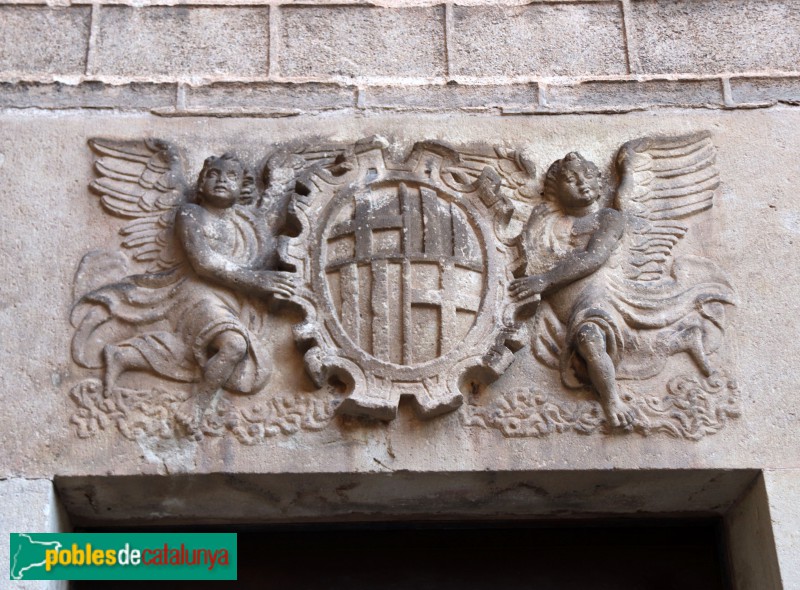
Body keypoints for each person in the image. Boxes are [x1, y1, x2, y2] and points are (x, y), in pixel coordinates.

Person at [73, 154, 295, 433]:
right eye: (214, 174)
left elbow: (270, 229)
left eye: (231, 176)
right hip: (196, 294)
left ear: (243, 189)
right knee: (234, 345)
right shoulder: (190, 214)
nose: (222, 180)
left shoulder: (247, 224)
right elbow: (203, 263)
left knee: (192, 350)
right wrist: (257, 280)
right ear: (201, 184)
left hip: (232, 300)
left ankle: (124, 356)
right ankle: (198, 405)